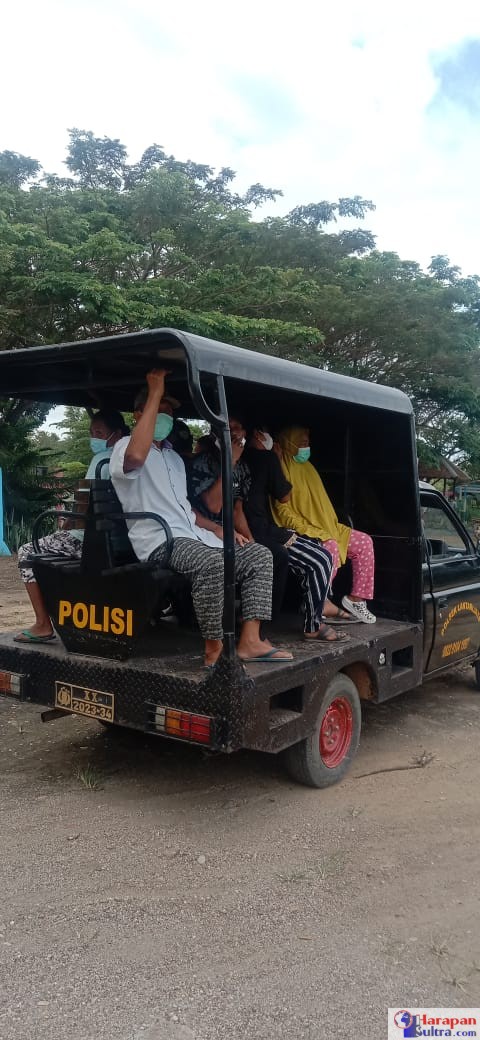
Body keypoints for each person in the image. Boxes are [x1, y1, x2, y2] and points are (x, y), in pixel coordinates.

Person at [109, 371, 293, 668]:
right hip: (161, 540)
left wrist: (217, 528)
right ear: (139, 415)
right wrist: (156, 390)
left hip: (191, 535)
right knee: (213, 563)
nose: (166, 418)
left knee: (259, 555)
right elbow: (135, 459)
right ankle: (214, 649)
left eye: (169, 413)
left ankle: (249, 640)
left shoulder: (172, 458)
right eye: (160, 411)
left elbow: (187, 510)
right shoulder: (125, 448)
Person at [15, 409, 129, 644]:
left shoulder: (102, 459)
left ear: (116, 434)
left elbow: (81, 506)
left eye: (99, 432)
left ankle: (43, 624)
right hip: (124, 542)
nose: (94, 437)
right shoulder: (132, 457)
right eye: (91, 432)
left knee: (27, 551)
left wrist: (66, 523)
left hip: (90, 541)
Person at [244, 427, 344, 641]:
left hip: (256, 529)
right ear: (258, 436)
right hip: (261, 531)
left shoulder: (240, 459)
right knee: (321, 558)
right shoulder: (266, 459)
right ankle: (313, 625)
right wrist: (277, 459)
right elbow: (284, 496)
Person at [271, 426, 376, 624]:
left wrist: (326, 527)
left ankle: (356, 599)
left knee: (364, 542)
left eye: (307, 441)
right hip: (299, 529)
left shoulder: (308, 467)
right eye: (301, 441)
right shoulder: (281, 465)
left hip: (327, 525)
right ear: (288, 442)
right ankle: (320, 600)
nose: (306, 445)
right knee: (330, 546)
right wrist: (310, 530)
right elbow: (282, 512)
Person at [188, 415, 252, 545]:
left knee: (261, 552)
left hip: (229, 531)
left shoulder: (243, 468)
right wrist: (231, 461)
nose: (233, 432)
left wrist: (251, 541)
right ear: (215, 435)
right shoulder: (202, 463)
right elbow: (214, 506)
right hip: (203, 529)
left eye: (237, 428)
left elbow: (236, 511)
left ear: (244, 433)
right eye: (226, 428)